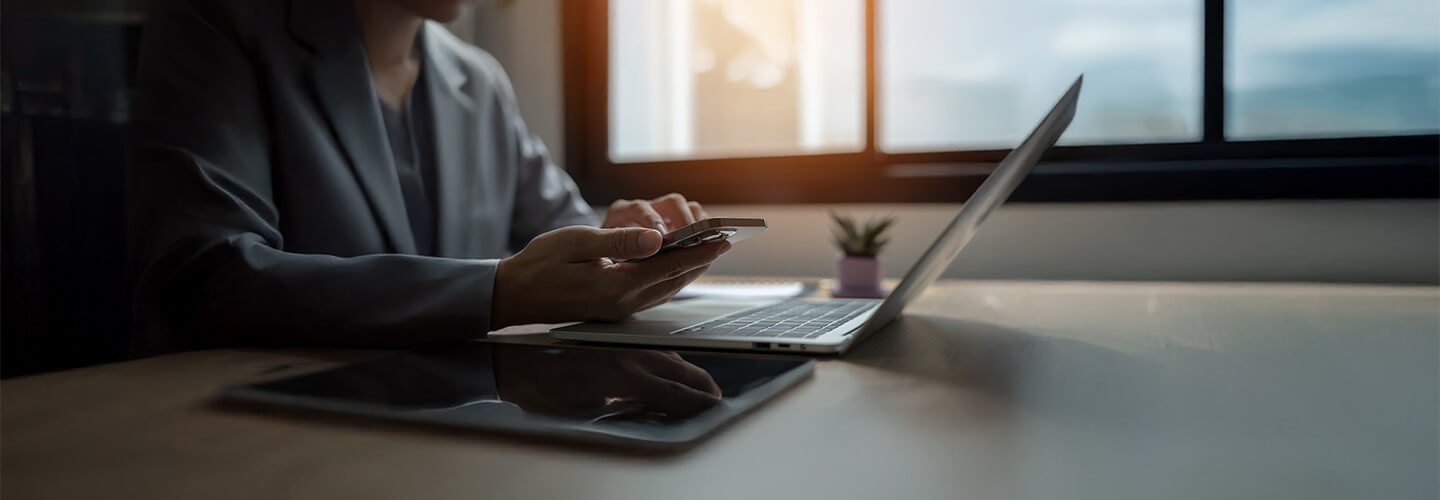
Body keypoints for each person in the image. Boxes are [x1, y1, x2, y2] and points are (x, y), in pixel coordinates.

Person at [127, 0, 728, 354]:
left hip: (456, 417)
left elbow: (557, 231)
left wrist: (619, 241)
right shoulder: (216, 24)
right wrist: (499, 292)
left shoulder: (480, 79)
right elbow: (206, 277)